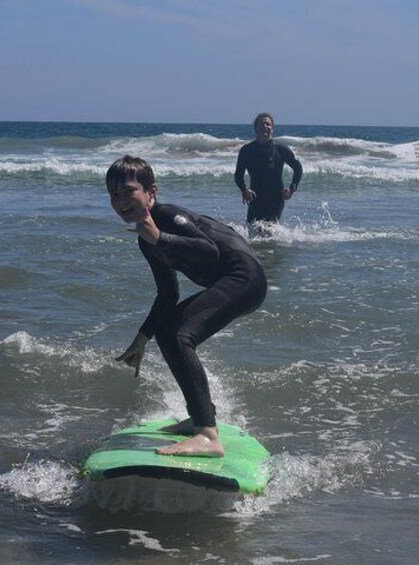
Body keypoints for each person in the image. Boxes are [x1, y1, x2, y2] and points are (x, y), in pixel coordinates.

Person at [107, 155, 267, 457]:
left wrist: (160, 237)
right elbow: (167, 294)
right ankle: (201, 418)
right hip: (233, 282)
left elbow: (209, 252)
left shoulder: (167, 216)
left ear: (151, 192)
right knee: (169, 333)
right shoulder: (146, 239)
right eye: (113, 194)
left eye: (128, 191)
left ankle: (208, 435)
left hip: (245, 278)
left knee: (179, 335)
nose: (119, 200)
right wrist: (141, 340)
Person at [234, 112, 303, 224]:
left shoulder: (281, 149)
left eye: (268, 124)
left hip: (276, 197)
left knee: (270, 231)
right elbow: (238, 175)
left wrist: (291, 189)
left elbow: (298, 168)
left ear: (272, 128)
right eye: (261, 124)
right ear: (256, 128)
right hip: (255, 197)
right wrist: (244, 189)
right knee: (253, 231)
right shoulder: (247, 150)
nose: (265, 127)